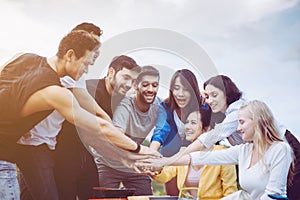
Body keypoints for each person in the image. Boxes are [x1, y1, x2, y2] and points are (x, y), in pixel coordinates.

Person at [0, 30, 158, 200]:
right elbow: (100, 128)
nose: (87, 70)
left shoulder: (23, 57)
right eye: (86, 64)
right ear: (70, 55)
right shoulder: (55, 92)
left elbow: (99, 115)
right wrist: (141, 149)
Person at [16, 22, 106, 200]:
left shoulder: (75, 72)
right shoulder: (66, 74)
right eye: (91, 43)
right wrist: (129, 148)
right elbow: (92, 113)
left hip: (44, 144)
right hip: (35, 144)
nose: (95, 50)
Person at [139, 100, 293, 200]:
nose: (237, 128)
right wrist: (163, 161)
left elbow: (274, 195)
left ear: (258, 121)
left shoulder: (280, 150)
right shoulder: (244, 150)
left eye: (241, 122)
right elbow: (202, 157)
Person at [54, 54, 141, 199]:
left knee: (94, 196)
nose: (128, 84)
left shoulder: (122, 102)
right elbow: (91, 136)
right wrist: (127, 157)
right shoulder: (88, 90)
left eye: (132, 80)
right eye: (125, 77)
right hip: (64, 152)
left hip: (87, 156)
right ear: (111, 72)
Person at [97, 65, 161, 195]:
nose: (150, 89)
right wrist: (142, 153)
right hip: (108, 162)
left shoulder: (158, 106)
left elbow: (163, 128)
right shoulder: (125, 105)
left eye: (155, 85)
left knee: (145, 195)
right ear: (136, 85)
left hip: (134, 165)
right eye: (145, 85)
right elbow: (116, 136)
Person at [152, 109, 238, 199]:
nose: (187, 127)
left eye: (193, 123)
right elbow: (164, 177)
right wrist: (155, 169)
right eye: (187, 122)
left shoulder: (222, 153)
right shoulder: (183, 152)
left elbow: (230, 192)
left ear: (207, 128)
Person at [149, 69, 203, 195]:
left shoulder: (203, 106)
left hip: (195, 158)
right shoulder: (166, 107)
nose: (180, 94)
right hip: (171, 160)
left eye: (185, 89)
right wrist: (151, 153)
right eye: (177, 88)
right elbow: (161, 130)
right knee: (174, 195)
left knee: (200, 193)